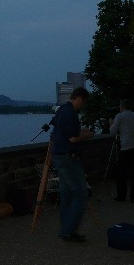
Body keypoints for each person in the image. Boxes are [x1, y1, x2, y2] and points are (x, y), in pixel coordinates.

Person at [50, 87, 94, 242]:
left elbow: (69, 133)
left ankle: (66, 229)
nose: (83, 105)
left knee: (67, 194)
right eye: (83, 102)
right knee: (81, 193)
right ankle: (69, 230)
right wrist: (89, 134)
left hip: (60, 156)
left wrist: (81, 132)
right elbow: (73, 138)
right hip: (67, 158)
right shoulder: (70, 113)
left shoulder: (62, 111)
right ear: (79, 98)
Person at [109, 99, 134, 203]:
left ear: (122, 106)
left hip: (126, 147)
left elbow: (112, 132)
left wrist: (111, 123)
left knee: (122, 173)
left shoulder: (120, 116)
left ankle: (122, 196)